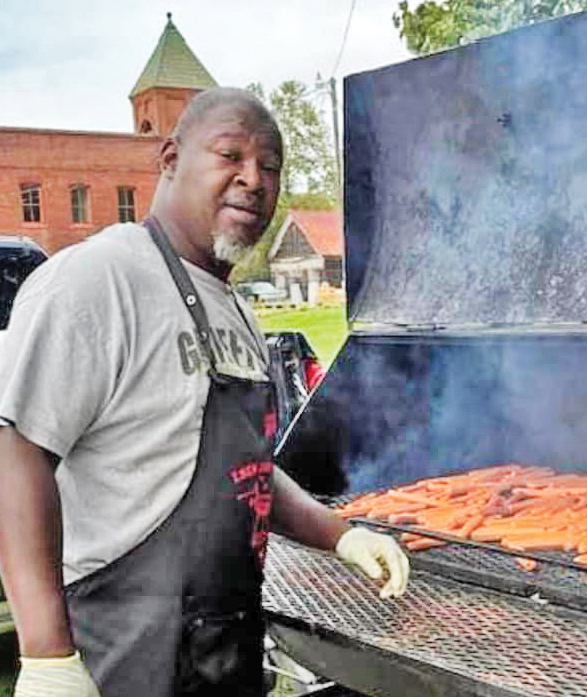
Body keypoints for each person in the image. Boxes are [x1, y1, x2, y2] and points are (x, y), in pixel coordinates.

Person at [0, 87, 409, 697]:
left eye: (270, 166)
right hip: (123, 654)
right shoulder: (97, 279)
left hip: (223, 651)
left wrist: (340, 535)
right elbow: (17, 451)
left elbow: (248, 470)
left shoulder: (237, 312)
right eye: (231, 155)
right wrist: (47, 654)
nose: (253, 180)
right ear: (170, 158)